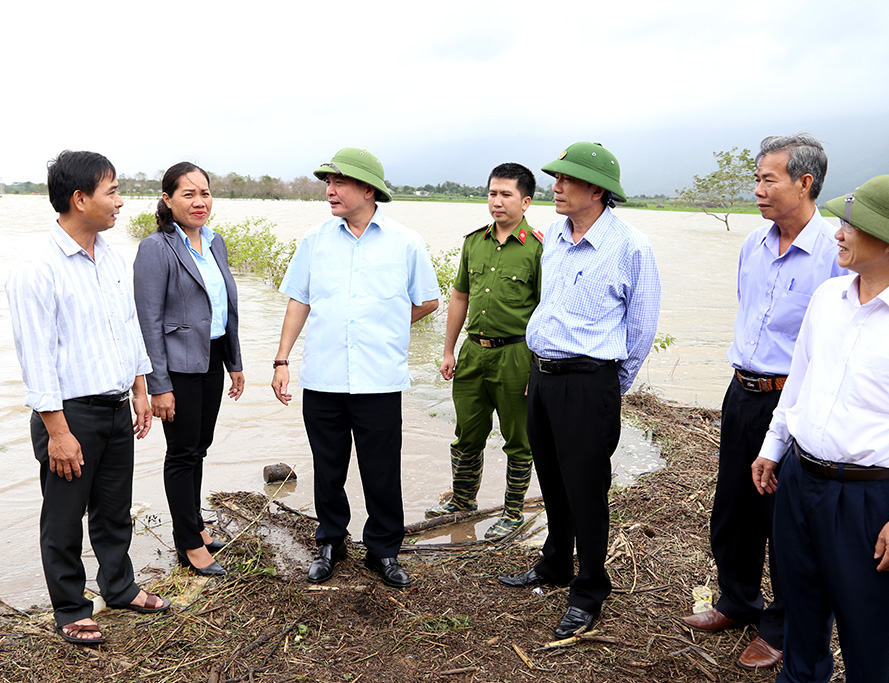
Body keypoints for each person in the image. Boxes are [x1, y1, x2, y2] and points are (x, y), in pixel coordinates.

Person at [681, 134, 846, 670]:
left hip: (792, 401)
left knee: (786, 519)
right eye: (755, 178)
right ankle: (737, 600)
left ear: (804, 182)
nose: (757, 189)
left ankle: (781, 624)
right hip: (743, 391)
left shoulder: (834, 253)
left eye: (768, 179)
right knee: (734, 505)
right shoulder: (753, 245)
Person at [751, 175, 889, 683]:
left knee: (866, 626)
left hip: (871, 499)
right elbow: (799, 383)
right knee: (800, 610)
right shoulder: (828, 297)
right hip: (801, 480)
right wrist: (773, 448)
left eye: (851, 225)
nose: (838, 233)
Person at [497, 142, 661, 639]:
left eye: (566, 180)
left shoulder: (632, 247)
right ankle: (554, 564)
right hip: (543, 377)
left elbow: (641, 329)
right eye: (556, 178)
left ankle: (590, 587)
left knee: (587, 491)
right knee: (550, 477)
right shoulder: (555, 240)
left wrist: (607, 385)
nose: (556, 186)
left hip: (590, 383)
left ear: (597, 190)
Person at [5, 150, 169, 646]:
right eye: (112, 191)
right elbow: (35, 356)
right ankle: (71, 608)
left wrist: (139, 390)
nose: (120, 202)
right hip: (69, 414)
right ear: (79, 199)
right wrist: (57, 431)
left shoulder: (114, 260)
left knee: (115, 508)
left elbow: (129, 330)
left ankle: (119, 587)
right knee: (63, 516)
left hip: (118, 405)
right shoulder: (37, 268)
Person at [270, 147, 440, 588]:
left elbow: (428, 300)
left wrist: (385, 326)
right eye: (328, 183)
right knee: (328, 467)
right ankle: (330, 542)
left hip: (379, 379)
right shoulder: (315, 240)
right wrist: (282, 359)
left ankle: (383, 550)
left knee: (382, 470)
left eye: (339, 182)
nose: (330, 191)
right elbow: (299, 300)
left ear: (368, 189)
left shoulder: (406, 242)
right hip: (323, 377)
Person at [133, 162, 244, 578]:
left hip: (211, 357)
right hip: (177, 366)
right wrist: (158, 384)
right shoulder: (156, 248)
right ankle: (189, 544)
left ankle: (194, 523)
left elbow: (225, 309)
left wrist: (234, 362)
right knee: (182, 452)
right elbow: (148, 320)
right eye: (188, 194)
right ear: (167, 199)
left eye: (205, 193)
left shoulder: (215, 243)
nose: (199, 202)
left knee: (200, 445)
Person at [425, 162, 542, 540]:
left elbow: (546, 312)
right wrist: (449, 350)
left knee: (517, 438)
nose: (497, 201)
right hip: (474, 352)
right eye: (492, 193)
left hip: (517, 356)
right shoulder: (474, 242)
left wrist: (536, 367)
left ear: (525, 201)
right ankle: (462, 501)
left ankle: (512, 512)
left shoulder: (538, 249)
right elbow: (459, 295)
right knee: (467, 432)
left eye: (506, 194)